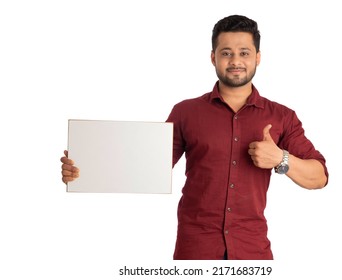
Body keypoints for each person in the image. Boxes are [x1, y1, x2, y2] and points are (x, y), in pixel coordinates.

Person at [61, 15, 328, 260]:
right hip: (195, 251)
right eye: (226, 53)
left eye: (244, 53)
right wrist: (85, 170)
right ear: (213, 58)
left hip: (252, 251)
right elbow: (147, 167)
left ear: (258, 57)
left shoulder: (282, 116)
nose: (235, 61)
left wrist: (281, 159)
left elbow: (319, 177)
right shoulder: (186, 112)